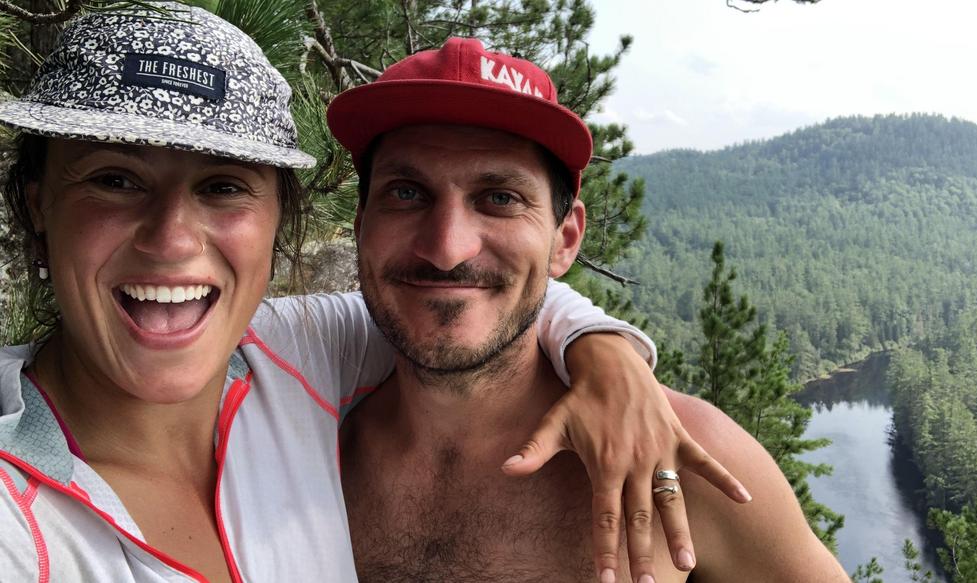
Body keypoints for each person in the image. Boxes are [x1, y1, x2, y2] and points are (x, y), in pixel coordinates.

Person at [0, 4, 747, 582]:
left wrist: (607, 356)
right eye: (115, 180)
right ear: (38, 204)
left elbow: (468, 307)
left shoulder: (292, 356)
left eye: (222, 186)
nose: (170, 239)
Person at [330, 37, 851, 582]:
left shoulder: (684, 457)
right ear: (361, 225)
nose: (447, 248)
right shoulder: (304, 442)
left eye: (500, 198)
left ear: (565, 240)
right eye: (406, 193)